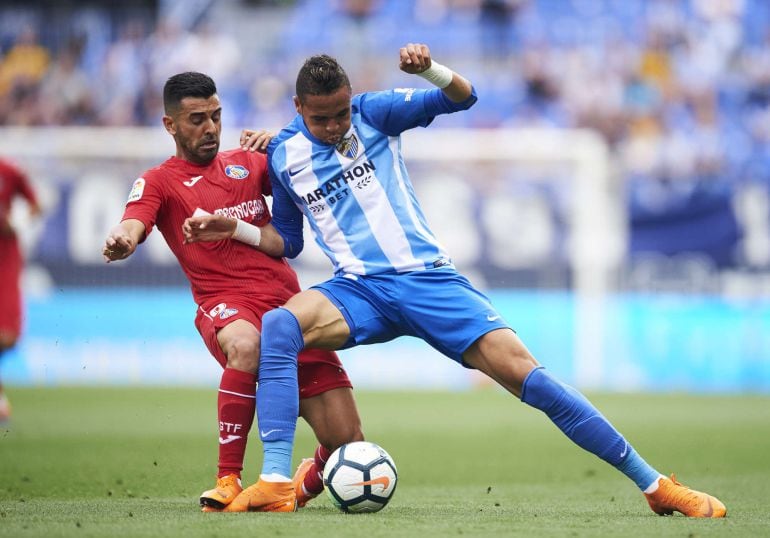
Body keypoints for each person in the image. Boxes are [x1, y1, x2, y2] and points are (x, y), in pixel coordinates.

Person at [184, 44, 727, 518]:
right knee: (280, 325)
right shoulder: (283, 154)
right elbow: (290, 241)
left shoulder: (374, 114)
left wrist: (432, 70)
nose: (335, 127)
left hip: (429, 281)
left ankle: (655, 485)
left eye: (341, 114)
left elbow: (463, 97)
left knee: (530, 378)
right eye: (322, 118)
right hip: (358, 289)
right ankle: (276, 481)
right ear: (298, 109)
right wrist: (233, 229)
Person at [103, 71, 364, 512]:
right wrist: (124, 238)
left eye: (216, 116)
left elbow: (304, 161)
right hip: (226, 306)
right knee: (246, 344)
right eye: (197, 119)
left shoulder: (249, 163)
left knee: (348, 445)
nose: (210, 128)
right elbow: (136, 218)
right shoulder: (160, 180)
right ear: (170, 126)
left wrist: (281, 141)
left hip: (288, 308)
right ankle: (228, 479)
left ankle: (307, 475)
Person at [0, 157, 41, 424]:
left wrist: (17, 225)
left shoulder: (9, 171)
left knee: (8, 336)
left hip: (5, 255)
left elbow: (35, 205)